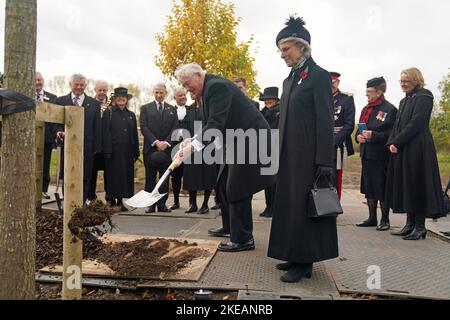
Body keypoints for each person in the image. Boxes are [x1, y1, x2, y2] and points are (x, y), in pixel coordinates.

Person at [175, 63, 275, 252]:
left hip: (251, 139)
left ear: (198, 75)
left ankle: (244, 239)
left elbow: (215, 124)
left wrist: (192, 149)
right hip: (236, 141)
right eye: (184, 86)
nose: (188, 89)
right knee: (222, 183)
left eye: (188, 84)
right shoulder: (205, 92)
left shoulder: (216, 87)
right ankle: (230, 226)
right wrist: (191, 140)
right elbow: (208, 123)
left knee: (238, 187)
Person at [268, 16, 338, 283]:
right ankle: (293, 254)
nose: (282, 55)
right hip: (289, 156)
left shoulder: (318, 76)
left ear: (302, 47)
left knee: (305, 207)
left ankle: (305, 261)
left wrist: (324, 160)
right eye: (280, 50)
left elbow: (325, 119)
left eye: (286, 49)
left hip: (308, 157)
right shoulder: (290, 79)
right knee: (290, 206)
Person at [386, 67, 445, 240]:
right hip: (404, 147)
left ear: (416, 80)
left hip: (419, 148)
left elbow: (416, 123)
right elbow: (397, 125)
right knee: (407, 185)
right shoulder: (404, 101)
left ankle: (420, 227)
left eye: (406, 81)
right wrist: (391, 142)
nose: (403, 84)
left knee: (418, 184)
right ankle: (409, 224)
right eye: (401, 81)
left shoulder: (424, 96)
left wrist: (398, 141)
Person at [356, 77, 397, 230]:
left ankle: (385, 220)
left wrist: (374, 136)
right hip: (366, 154)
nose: (366, 94)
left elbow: (391, 134)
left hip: (381, 155)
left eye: (370, 92)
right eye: (366, 91)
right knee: (369, 187)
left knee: (381, 187)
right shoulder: (366, 109)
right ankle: (372, 218)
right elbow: (359, 130)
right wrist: (358, 137)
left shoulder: (390, 109)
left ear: (379, 92)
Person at [54, 74, 102, 203]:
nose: (79, 87)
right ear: (70, 85)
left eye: (82, 85)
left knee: (85, 177)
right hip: (67, 147)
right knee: (67, 176)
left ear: (85, 86)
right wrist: (58, 132)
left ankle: (81, 206)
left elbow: (97, 127)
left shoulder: (94, 104)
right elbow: (55, 123)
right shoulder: (60, 101)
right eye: (76, 84)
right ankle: (68, 204)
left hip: (87, 147)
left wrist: (97, 148)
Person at [140, 82, 178, 213]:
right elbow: (144, 127)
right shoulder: (145, 108)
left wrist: (166, 143)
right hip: (150, 149)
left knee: (164, 178)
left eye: (161, 92)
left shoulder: (172, 109)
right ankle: (150, 204)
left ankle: (162, 204)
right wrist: (156, 142)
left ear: (165, 93)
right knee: (150, 178)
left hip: (166, 150)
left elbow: (175, 128)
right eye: (156, 92)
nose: (159, 95)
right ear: (153, 93)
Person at [102, 87, 139, 212]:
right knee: (113, 176)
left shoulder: (131, 115)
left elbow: (134, 134)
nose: (121, 99)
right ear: (114, 98)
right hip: (113, 151)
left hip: (127, 152)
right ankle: (111, 200)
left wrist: (136, 152)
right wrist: (107, 150)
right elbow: (105, 132)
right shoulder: (109, 112)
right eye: (118, 97)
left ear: (126, 99)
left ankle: (120, 201)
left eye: (123, 97)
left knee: (125, 176)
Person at [182, 94, 217, 214]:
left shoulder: (208, 108)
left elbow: (212, 125)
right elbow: (185, 126)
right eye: (191, 94)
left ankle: (205, 204)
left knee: (208, 175)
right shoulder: (189, 109)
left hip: (207, 145)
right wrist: (187, 139)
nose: (192, 95)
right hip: (191, 147)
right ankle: (193, 204)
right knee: (191, 176)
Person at [330, 72, 355, 200]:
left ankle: (333, 207)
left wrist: (334, 141)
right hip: (320, 142)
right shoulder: (320, 98)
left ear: (338, 82)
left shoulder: (346, 99)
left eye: (333, 82)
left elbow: (349, 125)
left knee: (335, 176)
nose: (331, 85)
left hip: (337, 144)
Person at [259, 87, 281, 218]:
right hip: (265, 146)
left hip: (276, 147)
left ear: (275, 100)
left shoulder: (280, 110)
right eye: (265, 99)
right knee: (267, 180)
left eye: (270, 99)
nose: (267, 101)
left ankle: (274, 207)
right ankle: (268, 205)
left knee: (275, 180)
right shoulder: (264, 112)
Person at [35, 72, 57, 200]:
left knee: (45, 164)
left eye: (40, 80)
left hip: (47, 137)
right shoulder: (26, 96)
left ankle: (43, 189)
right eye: (36, 80)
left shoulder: (52, 97)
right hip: (30, 137)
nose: (38, 82)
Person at [88, 80, 110, 202]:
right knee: (92, 172)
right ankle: (91, 195)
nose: (102, 92)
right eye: (99, 90)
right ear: (95, 90)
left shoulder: (111, 105)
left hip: (107, 144)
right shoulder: (90, 104)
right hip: (93, 144)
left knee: (109, 172)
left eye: (104, 90)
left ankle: (109, 195)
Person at [170, 87, 188, 210]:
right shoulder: (170, 111)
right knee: (175, 175)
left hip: (188, 147)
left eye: (184, 95)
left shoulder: (191, 110)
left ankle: (193, 203)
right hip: (175, 146)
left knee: (190, 174)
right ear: (175, 98)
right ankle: (176, 201)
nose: (183, 97)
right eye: (180, 95)